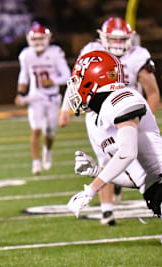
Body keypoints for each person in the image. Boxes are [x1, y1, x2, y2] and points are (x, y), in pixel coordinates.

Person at [59, 17, 160, 225]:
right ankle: (107, 210)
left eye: (80, 82)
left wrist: (91, 190)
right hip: (155, 189)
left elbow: (127, 153)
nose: (75, 90)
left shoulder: (123, 99)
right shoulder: (100, 118)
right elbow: (138, 178)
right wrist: (97, 171)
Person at [14, 22, 71, 175]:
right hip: (35, 96)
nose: (38, 42)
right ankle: (36, 162)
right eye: (35, 39)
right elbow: (24, 74)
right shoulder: (26, 55)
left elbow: (67, 76)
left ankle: (48, 150)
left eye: (41, 38)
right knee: (36, 129)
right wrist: (20, 93)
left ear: (48, 38)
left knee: (50, 132)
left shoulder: (55, 53)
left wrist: (53, 81)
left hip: (52, 97)